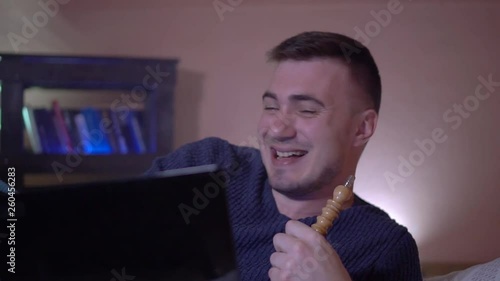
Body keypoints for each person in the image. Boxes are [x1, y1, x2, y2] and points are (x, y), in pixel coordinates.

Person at [146, 31, 423, 281]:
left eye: (307, 110)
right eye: (270, 106)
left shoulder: (386, 246)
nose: (277, 128)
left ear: (361, 128)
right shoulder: (208, 166)